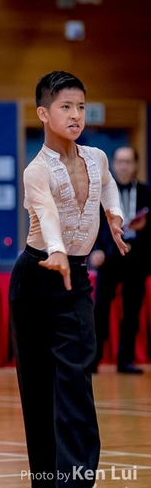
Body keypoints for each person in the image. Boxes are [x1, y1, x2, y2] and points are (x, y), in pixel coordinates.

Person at [9, 71, 127, 488]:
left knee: (75, 382)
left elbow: (108, 185)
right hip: (34, 275)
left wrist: (114, 215)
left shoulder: (97, 157)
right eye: (65, 107)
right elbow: (45, 213)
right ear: (44, 113)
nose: (75, 115)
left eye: (80, 106)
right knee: (37, 385)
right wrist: (56, 250)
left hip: (73, 280)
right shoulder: (36, 170)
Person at [90, 146, 151, 374]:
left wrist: (144, 228)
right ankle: (94, 359)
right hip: (109, 258)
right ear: (113, 165)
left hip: (137, 260)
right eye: (120, 162)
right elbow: (92, 226)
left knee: (132, 310)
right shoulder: (102, 192)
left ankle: (125, 360)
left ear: (136, 165)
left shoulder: (146, 193)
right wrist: (95, 250)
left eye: (128, 162)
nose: (124, 166)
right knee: (100, 309)